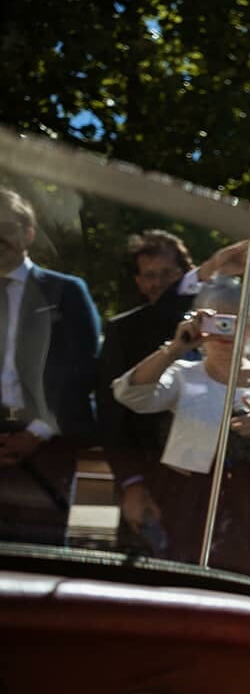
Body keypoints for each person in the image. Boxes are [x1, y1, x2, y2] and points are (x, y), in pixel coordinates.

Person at [111, 279, 250, 587]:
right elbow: (129, 394)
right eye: (215, 323)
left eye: (234, 322)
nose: (225, 333)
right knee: (186, 586)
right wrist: (175, 348)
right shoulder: (183, 374)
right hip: (189, 506)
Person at [96, 233, 250, 549]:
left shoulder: (231, 322)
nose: (157, 283)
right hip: (158, 483)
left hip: (235, 487)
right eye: (149, 275)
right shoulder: (126, 330)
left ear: (185, 273)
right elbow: (112, 416)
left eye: (167, 273)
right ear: (138, 282)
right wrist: (132, 482)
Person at [0, 187, 100, 546]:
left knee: (43, 553)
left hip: (51, 445)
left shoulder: (66, 292)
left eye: (6, 228)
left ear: (28, 234)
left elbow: (84, 369)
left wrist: (37, 432)